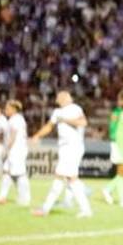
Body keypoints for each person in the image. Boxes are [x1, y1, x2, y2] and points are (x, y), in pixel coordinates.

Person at [29, 90, 93, 218]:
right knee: (70, 178)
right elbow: (49, 126)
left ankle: (45, 209)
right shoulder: (57, 112)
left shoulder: (75, 108)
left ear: (66, 98)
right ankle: (86, 210)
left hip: (73, 147)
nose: (57, 99)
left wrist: (65, 120)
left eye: (60, 97)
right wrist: (36, 136)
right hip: (64, 148)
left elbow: (83, 122)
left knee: (61, 177)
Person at [0, 100, 31, 207]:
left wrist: (6, 148)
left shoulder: (16, 119)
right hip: (14, 150)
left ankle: (25, 198)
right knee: (7, 172)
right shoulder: (13, 119)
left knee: (19, 173)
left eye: (7, 108)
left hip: (17, 149)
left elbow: (13, 135)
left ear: (14, 109)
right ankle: (2, 196)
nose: (5, 110)